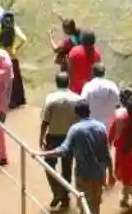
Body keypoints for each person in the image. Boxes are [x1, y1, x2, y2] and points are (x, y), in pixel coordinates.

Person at [43, 100, 112, 214]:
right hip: (100, 174)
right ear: (89, 111)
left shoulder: (75, 129)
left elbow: (63, 150)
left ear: (76, 113)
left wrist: (43, 153)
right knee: (95, 205)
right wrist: (111, 173)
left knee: (84, 206)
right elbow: (107, 154)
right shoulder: (101, 127)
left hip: (83, 175)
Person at [40, 70, 84, 210]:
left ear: (56, 83)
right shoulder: (77, 98)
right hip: (70, 137)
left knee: (49, 165)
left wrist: (41, 138)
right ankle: (64, 194)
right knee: (67, 167)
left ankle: (57, 191)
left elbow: (45, 121)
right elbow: (81, 119)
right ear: (68, 83)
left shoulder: (50, 98)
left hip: (53, 137)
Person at [0, 12, 29, 109]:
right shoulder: (14, 28)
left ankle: (0, 102)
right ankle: (17, 101)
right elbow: (23, 39)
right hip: (11, 56)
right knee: (15, 80)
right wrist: (15, 48)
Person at [82, 63, 122, 134]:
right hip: (109, 127)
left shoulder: (88, 86)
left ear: (92, 73)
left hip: (92, 127)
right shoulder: (112, 85)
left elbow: (82, 103)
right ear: (104, 73)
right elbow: (119, 103)